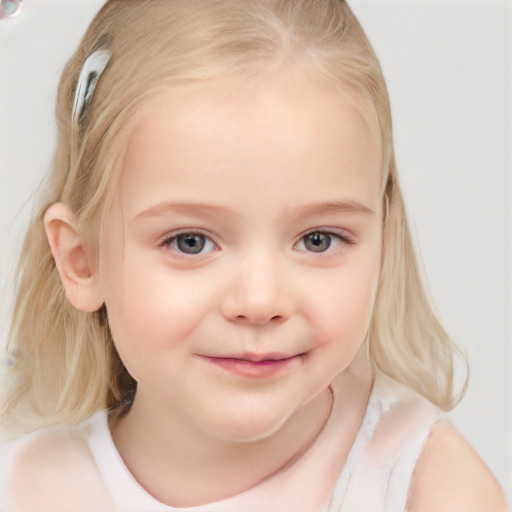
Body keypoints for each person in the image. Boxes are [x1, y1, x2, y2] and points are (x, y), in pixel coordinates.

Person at [0, 0, 508, 510]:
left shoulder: (428, 487)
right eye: (190, 242)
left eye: (318, 239)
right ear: (82, 259)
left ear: (383, 238)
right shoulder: (26, 487)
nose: (262, 300)